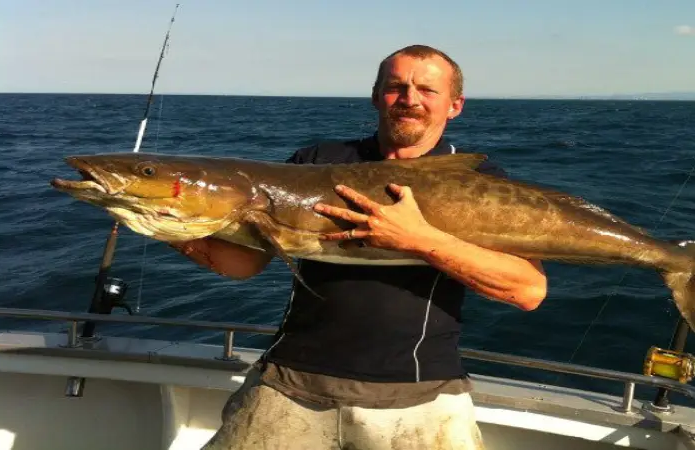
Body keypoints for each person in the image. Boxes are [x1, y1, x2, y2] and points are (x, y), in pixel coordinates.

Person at [171, 44, 548, 450]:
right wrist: (171, 225)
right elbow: (245, 265)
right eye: (395, 87)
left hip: (420, 393)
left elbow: (527, 290)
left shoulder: (482, 180)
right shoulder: (317, 159)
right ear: (375, 95)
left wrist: (418, 240)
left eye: (427, 90)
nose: (409, 100)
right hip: (290, 380)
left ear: (455, 105)